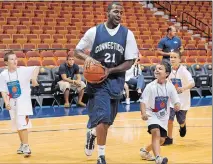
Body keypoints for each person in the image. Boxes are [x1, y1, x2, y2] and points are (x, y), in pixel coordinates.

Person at [74, 2, 138, 163]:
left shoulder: (127, 34)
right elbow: (77, 51)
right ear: (108, 12)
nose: (119, 15)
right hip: (97, 83)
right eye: (116, 11)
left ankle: (92, 134)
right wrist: (89, 59)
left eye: (121, 12)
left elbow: (130, 61)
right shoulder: (94, 31)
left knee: (109, 121)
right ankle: (101, 156)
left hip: (116, 80)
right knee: (103, 119)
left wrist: (110, 70)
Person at [0, 51, 40, 157]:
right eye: (12, 59)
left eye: (15, 58)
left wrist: (33, 78)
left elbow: (37, 67)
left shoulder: (23, 71)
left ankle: (26, 145)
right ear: (6, 62)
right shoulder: (3, 74)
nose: (15, 61)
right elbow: (3, 90)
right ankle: (22, 144)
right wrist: (6, 102)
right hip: (12, 103)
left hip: (23, 102)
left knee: (22, 124)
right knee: (17, 125)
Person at [139, 61, 180, 164]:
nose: (157, 70)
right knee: (156, 133)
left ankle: (145, 151)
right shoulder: (150, 86)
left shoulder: (170, 87)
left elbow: (176, 100)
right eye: (156, 68)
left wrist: (177, 105)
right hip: (151, 113)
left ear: (166, 73)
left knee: (161, 140)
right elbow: (143, 102)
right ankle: (158, 158)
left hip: (163, 116)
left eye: (160, 69)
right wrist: (143, 113)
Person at [163, 51, 195, 145]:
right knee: (169, 119)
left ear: (180, 59)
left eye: (174, 57)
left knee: (180, 120)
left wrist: (183, 88)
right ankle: (169, 138)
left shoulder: (184, 71)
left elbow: (192, 83)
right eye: (171, 57)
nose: (172, 59)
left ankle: (183, 125)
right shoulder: (169, 71)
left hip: (183, 100)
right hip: (172, 100)